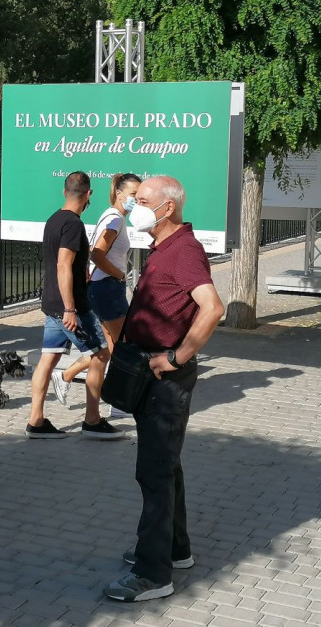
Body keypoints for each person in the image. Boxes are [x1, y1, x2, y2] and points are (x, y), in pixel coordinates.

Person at [105, 176, 224, 603]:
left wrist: (178, 357)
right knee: (165, 466)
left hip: (165, 378)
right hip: (149, 373)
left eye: (142, 200)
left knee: (154, 471)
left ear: (167, 208)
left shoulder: (184, 251)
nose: (133, 206)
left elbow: (213, 308)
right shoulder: (166, 248)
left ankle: (153, 574)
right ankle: (175, 549)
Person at [26, 171, 124, 441]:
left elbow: (67, 263)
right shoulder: (72, 224)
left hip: (52, 303)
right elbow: (63, 263)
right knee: (101, 355)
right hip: (70, 307)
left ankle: (36, 421)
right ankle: (92, 420)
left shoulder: (54, 219)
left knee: (49, 358)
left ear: (64, 191)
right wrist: (70, 308)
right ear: (88, 194)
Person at [51, 173, 141, 415]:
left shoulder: (112, 217)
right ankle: (117, 403)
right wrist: (120, 275)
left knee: (107, 349)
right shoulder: (115, 220)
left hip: (103, 288)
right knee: (122, 346)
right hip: (108, 288)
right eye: (134, 195)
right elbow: (97, 254)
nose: (137, 200)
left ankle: (67, 376)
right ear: (119, 194)